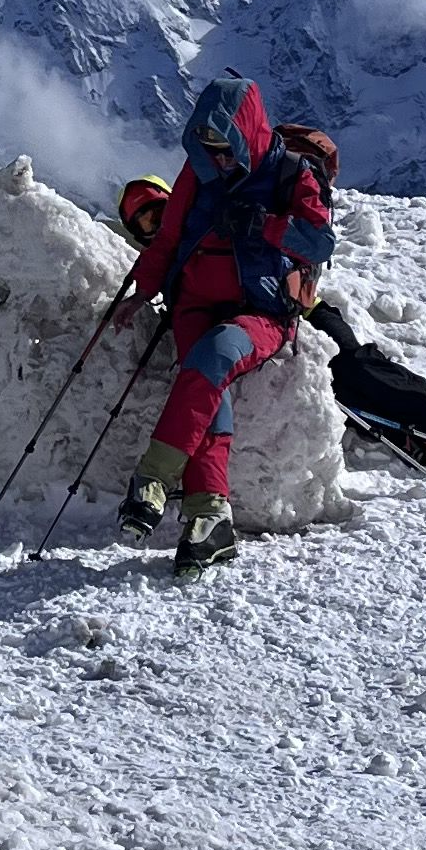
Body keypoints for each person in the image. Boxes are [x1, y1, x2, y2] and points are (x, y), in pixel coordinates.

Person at [117, 78, 335, 574]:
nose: (216, 158)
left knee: (214, 357)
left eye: (224, 146)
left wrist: (266, 226)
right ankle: (210, 520)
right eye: (208, 147)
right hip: (193, 301)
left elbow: (320, 243)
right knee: (205, 386)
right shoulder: (199, 173)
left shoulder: (291, 174)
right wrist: (144, 292)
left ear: (246, 133)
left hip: (262, 311)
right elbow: (169, 236)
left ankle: (152, 480)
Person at [117, 164, 426, 469]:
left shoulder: (212, 221)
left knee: (353, 363)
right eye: (145, 223)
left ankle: (425, 417)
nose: (156, 226)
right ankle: (400, 433)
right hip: (269, 322)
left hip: (301, 308)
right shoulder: (168, 262)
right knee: (332, 387)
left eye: (159, 212)